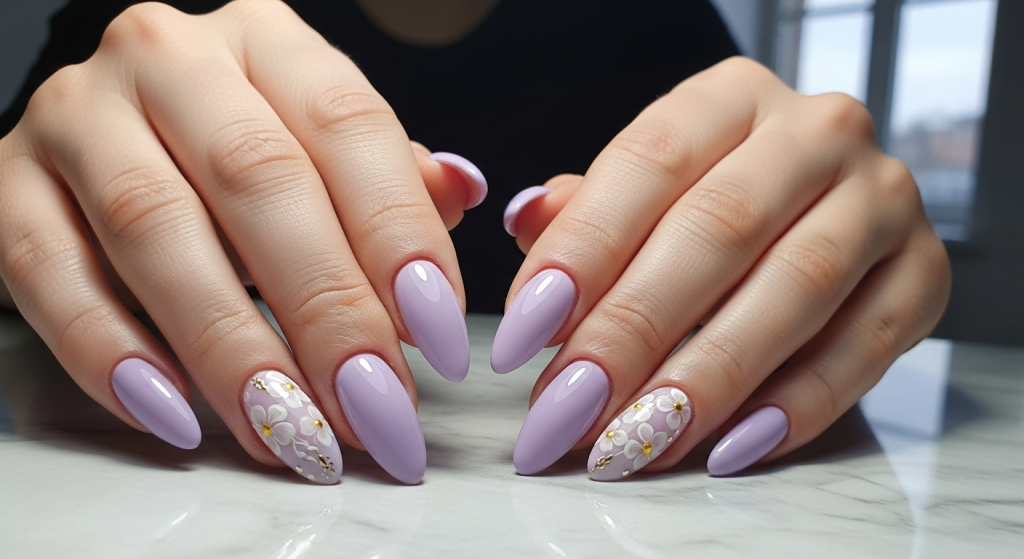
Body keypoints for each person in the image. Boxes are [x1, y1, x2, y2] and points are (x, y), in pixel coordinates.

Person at [0, 0, 951, 485]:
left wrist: (844, 235)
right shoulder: (131, 19)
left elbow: (771, 195)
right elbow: (26, 206)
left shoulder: (657, 21)